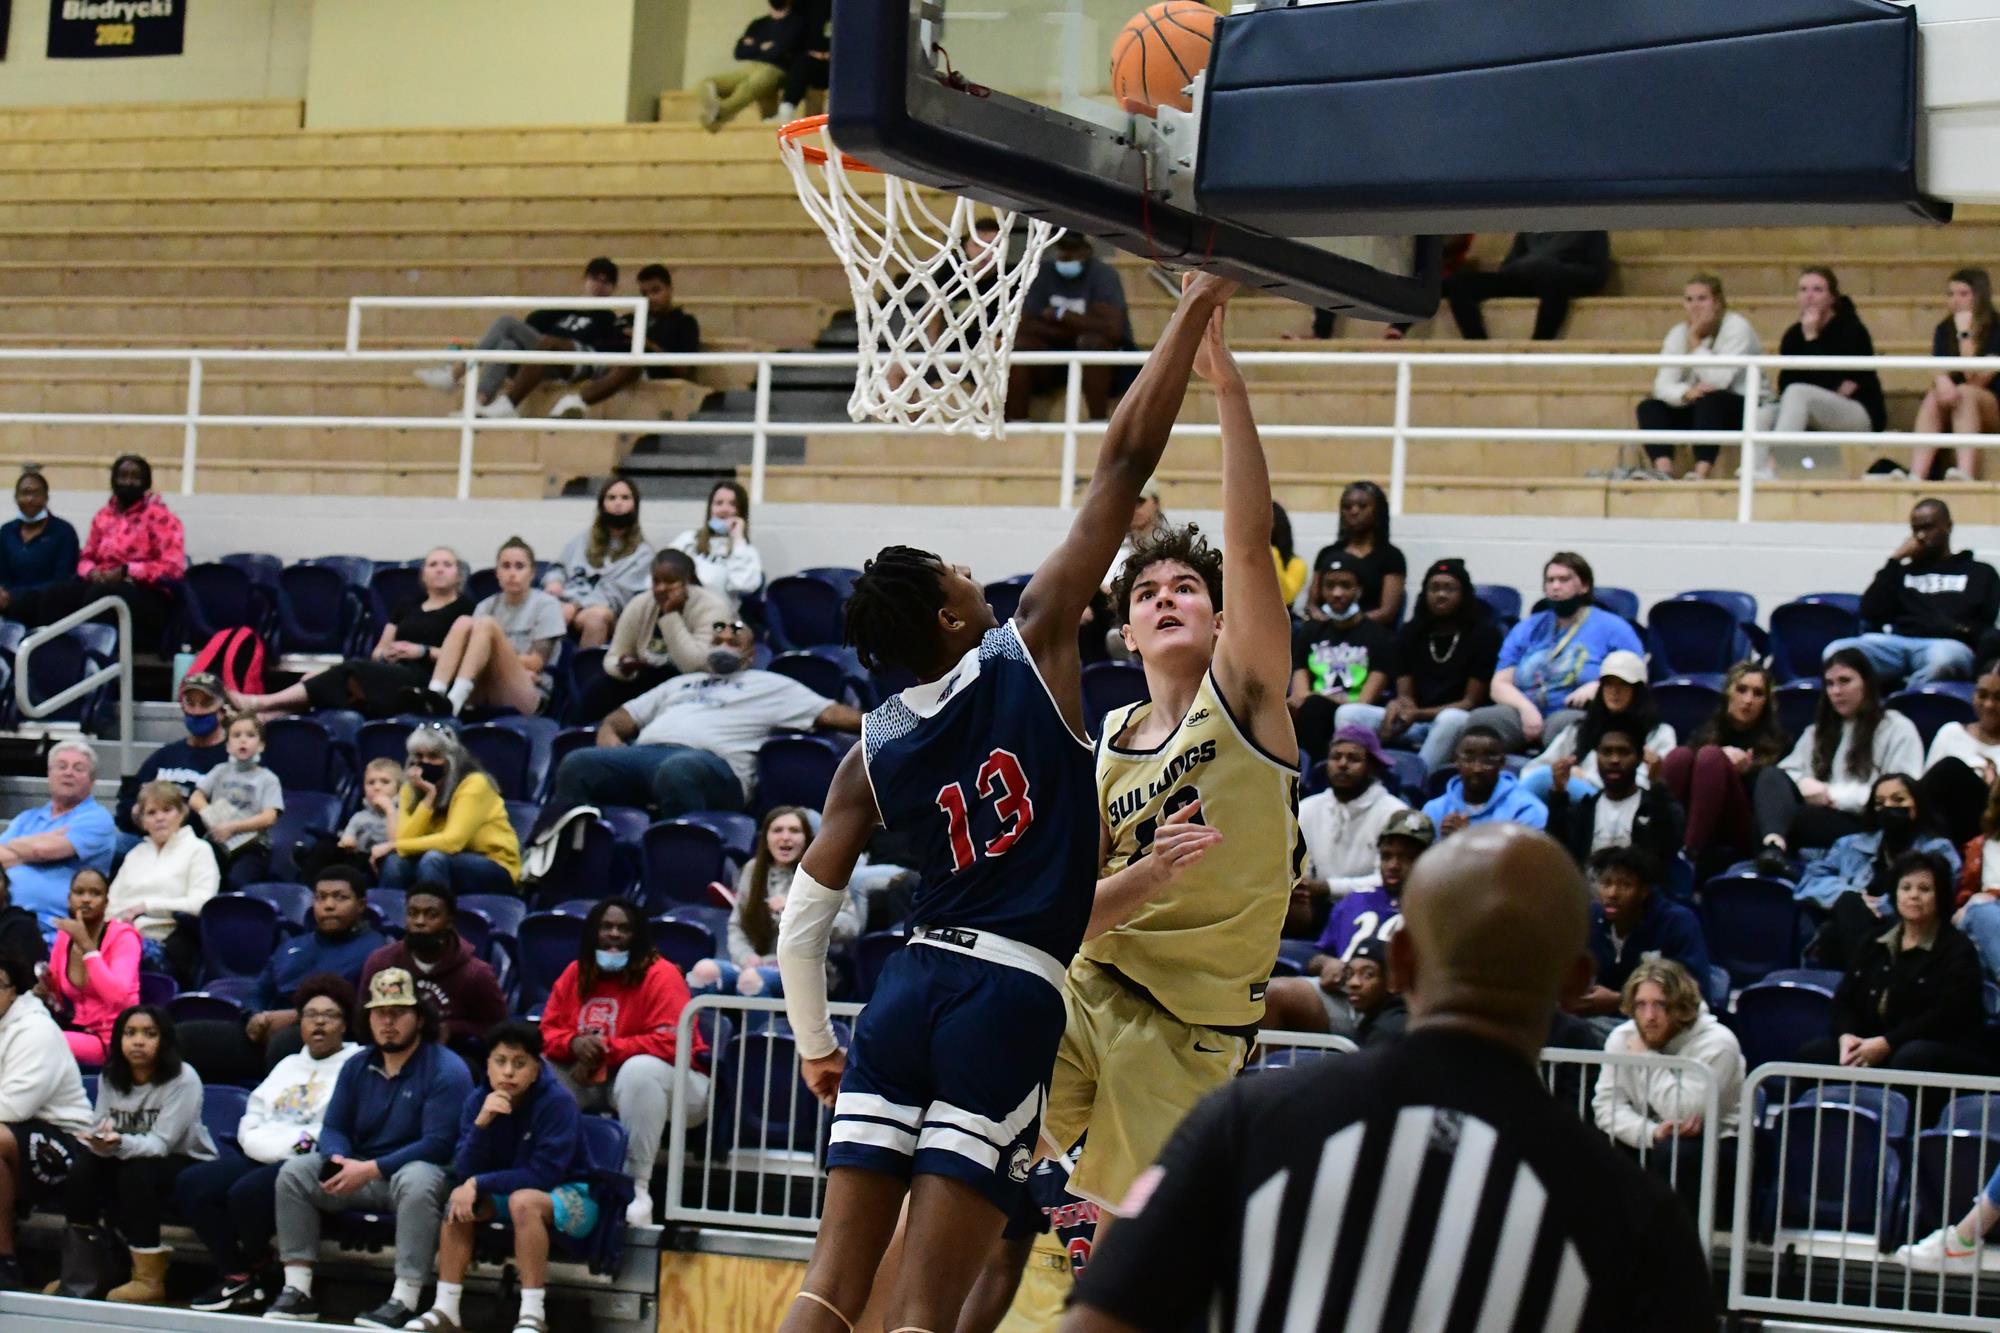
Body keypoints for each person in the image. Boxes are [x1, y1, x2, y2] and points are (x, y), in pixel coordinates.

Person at [772, 273, 1240, 1333]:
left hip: (905, 988)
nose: (972, 568)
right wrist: (1192, 307)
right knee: (924, 1309)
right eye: (954, 569)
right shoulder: (1029, 642)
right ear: (948, 616)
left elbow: (803, 922)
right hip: (1007, 998)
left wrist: (813, 1043)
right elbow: (1124, 459)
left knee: (828, 1283)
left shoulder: (871, 752)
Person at [1059, 822, 1716, 1333]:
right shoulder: (1637, 1216)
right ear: (1576, 984)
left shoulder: (1247, 1121)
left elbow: (1102, 1320)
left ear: (1399, 959)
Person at [1042, 294, 1299, 1238]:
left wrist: (1227, 387)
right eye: (1146, 590)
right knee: (963, 1131)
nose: (1165, 597)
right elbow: (1072, 910)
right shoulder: (1104, 738)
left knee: (1124, 1266)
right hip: (1090, 986)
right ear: (1126, 626)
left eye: (1185, 586)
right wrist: (1144, 876)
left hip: (1190, 1032)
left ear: (1220, 614)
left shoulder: (1248, 696)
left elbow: (1245, 542)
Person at [265, 968, 474, 1327]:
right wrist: (338, 1159)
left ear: (419, 1018)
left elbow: (438, 1144)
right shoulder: (356, 1065)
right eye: (380, 1013)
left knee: (418, 1177)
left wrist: (371, 1169)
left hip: (415, 1179)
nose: (388, 1022)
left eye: (398, 1013)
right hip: (359, 1175)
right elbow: (334, 1126)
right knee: (296, 1172)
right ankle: (298, 1290)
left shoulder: (447, 1069)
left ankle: (406, 1296)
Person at [181, 975, 363, 1316]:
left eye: (330, 1015)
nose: (319, 1022)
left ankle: (256, 1270)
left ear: (346, 1023)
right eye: (310, 1014)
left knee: (246, 1192)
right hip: (265, 1152)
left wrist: (278, 1148)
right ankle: (238, 1272)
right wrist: (261, 1145)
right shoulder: (288, 1062)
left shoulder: (357, 1064)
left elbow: (333, 1128)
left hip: (311, 1161)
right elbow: (252, 1116)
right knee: (194, 1184)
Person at [551, 618, 858, 818]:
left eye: (733, 642)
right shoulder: (682, 682)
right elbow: (624, 716)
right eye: (717, 641)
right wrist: (608, 732)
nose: (723, 645)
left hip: (713, 768)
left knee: (678, 769)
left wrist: (891, 720)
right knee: (578, 763)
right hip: (646, 755)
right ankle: (562, 857)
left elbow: (830, 713)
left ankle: (674, 860)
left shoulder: (771, 685)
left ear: (750, 655)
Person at [412, 1019, 589, 1333]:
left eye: (519, 1064)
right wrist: (482, 1124)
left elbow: (544, 1174)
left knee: (523, 1201)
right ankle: (447, 1309)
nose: (508, 1072)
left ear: (536, 1069)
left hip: (572, 1191)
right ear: (488, 1066)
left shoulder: (558, 1103)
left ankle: (533, 1314)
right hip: (509, 1188)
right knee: (461, 1201)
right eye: (501, 1062)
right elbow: (465, 1171)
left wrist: (479, 1183)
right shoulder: (477, 1101)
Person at [541, 897, 708, 1227]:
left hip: (682, 1087)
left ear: (639, 935)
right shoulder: (577, 972)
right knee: (537, 1068)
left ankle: (637, 1188)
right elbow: (547, 1030)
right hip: (598, 1079)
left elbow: (673, 1042)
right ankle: (545, 1172)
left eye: (624, 928)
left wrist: (604, 1049)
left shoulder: (662, 974)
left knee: (639, 1071)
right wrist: (573, 1043)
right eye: (606, 927)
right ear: (593, 933)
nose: (614, 934)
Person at [50, 1004, 217, 1304]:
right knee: (83, 1170)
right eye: (130, 1033)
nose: (138, 1041)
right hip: (127, 1151)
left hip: (184, 1160)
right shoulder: (111, 1074)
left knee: (136, 1174)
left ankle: (148, 1280)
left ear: (164, 1040)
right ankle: (81, 1271)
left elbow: (162, 1144)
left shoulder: (183, 1078)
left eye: (149, 1034)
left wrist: (119, 1144)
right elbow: (102, 1120)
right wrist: (96, 1140)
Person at [181, 867, 384, 1089]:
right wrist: (256, 1017)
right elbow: (259, 991)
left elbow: (360, 1009)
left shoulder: (376, 951)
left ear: (361, 905)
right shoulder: (293, 945)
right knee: (181, 1038)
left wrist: (297, 1017)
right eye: (321, 897)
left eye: (340, 897)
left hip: (323, 1037)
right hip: (265, 1034)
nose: (328, 905)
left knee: (285, 1042)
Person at [1797, 849, 1988, 1076]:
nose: (1913, 896)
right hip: (1874, 1042)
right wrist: (1846, 1036)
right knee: (1812, 1054)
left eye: (1924, 889)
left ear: (1940, 896)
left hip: (1934, 1046)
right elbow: (1845, 999)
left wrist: (1888, 1042)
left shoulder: (1957, 949)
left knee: (1910, 1058)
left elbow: (1947, 1016)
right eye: (1906, 888)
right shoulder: (1874, 941)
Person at [230, 547, 475, 720]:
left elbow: (465, 660)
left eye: (447, 565)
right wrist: (386, 653)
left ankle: (263, 703)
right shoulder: (407, 605)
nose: (440, 570)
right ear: (423, 575)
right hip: (391, 671)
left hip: (426, 679)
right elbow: (379, 648)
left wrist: (421, 651)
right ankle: (275, 714)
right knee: (334, 678)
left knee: (351, 671)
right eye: (433, 564)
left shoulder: (465, 609)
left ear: (458, 574)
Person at [1592, 957, 1744, 1222]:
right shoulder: (1622, 1038)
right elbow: (1606, 1108)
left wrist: (1647, 1059)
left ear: (1682, 1006)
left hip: (1715, 1150)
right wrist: (1651, 1133)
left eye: (1660, 1005)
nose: (1649, 1017)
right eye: (1641, 1005)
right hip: (1650, 1139)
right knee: (1593, 1148)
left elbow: (1685, 1114)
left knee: (1676, 1152)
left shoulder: (1719, 1043)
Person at [1262, 808, 1433, 1036]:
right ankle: (1257, 1071)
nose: (1393, 864)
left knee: (1392, 1030)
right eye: (1387, 856)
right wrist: (1326, 964)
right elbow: (1318, 954)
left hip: (1400, 1006)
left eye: (1406, 857)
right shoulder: (1355, 899)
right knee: (1273, 994)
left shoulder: (1436, 907)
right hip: (1343, 996)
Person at [1465, 551, 1645, 753]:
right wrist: (1526, 709)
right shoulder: (1528, 627)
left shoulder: (1613, 628)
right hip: (1525, 711)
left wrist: (1598, 686)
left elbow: (1636, 675)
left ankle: (1552, 780)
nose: (1556, 586)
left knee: (1564, 727)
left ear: (1584, 586)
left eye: (1564, 580)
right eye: (1550, 580)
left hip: (1575, 712)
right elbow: (1499, 684)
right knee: (1480, 721)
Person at [0, 454, 185, 647]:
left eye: (135, 476)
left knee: (99, 595)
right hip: (102, 583)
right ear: (113, 480)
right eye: (122, 476)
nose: (128, 481)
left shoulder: (162, 518)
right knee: (55, 596)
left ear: (146, 483)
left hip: (145, 592)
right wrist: (92, 572)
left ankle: (97, 660)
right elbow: (86, 557)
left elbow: (172, 568)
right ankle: (52, 656)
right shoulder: (103, 516)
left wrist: (126, 571)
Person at [1766, 648, 1925, 861]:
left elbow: (1901, 793)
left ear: (1866, 683)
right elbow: (1787, 773)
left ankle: (1775, 852)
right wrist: (1803, 783)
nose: (1836, 691)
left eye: (1844, 681)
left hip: (1868, 823)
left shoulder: (1898, 728)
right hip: (1819, 816)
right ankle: (1773, 850)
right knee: (1769, 777)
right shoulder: (1817, 731)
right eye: (1830, 684)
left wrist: (1831, 795)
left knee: (1793, 818)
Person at [413, 258, 627, 416]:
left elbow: (601, 349)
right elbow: (532, 321)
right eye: (594, 279)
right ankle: (480, 402)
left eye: (606, 282)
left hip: (569, 362)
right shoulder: (563, 308)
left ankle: (455, 372)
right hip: (540, 364)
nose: (599, 285)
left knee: (507, 322)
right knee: (507, 344)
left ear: (614, 288)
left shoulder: (607, 317)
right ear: (584, 280)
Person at [1825, 499, 1999, 693]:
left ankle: (1902, 703)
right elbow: (1870, 611)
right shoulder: (1901, 572)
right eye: (1915, 529)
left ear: (1948, 526)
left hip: (1948, 645)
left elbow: (1985, 621)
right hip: (1898, 644)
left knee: (1941, 660)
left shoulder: (1979, 572)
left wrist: (1947, 626)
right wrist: (1894, 560)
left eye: (1928, 527)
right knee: (1836, 652)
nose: (1921, 536)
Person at [0, 949, 94, 1291]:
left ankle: (4, 1262)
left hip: (67, 1145)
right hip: (17, 1137)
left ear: (15, 991)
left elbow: (12, 1108)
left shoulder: (35, 1030)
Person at [504, 263, 701, 418]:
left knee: (631, 364)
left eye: (655, 291)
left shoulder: (685, 322)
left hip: (639, 369)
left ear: (670, 289)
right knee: (549, 343)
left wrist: (646, 343)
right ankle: (507, 405)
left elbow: (686, 370)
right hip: (601, 359)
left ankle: (575, 402)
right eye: (644, 293)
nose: (650, 298)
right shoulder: (628, 318)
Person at [688, 806, 846, 998]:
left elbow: (851, 925)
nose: (785, 837)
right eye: (777, 830)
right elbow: (736, 925)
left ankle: (758, 1029)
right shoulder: (753, 870)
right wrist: (746, 957)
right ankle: (699, 1028)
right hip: (756, 964)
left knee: (751, 981)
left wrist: (800, 910)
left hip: (807, 969)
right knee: (703, 971)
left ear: (807, 839)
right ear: (766, 839)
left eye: (794, 831)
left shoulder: (826, 873)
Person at [1661, 661, 1794, 871]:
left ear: (1766, 702)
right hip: (1696, 814)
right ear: (1728, 693)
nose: (1748, 700)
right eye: (1741, 690)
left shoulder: (1779, 741)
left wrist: (1744, 771)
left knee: (1711, 757)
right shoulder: (1705, 732)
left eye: (1758, 693)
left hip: (1744, 827)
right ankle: (1659, 846)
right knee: (1680, 756)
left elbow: (1772, 797)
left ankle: (1689, 855)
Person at [1755, 267, 1886, 476]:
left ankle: (1774, 467)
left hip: (1858, 412)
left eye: (1817, 290)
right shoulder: (1792, 335)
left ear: (1832, 297)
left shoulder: (1851, 330)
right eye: (1803, 289)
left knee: (1799, 393)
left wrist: (1812, 339)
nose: (1809, 296)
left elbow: (1843, 385)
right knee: (1764, 414)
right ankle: (1754, 471)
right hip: (1812, 407)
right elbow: (1786, 383)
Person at [1634, 273, 1765, 480]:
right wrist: (1686, 393)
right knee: (1649, 407)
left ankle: (1701, 471)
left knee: (1711, 400)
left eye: (1702, 299)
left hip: (1744, 406)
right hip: (1699, 404)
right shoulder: (1678, 333)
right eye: (1689, 300)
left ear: (1718, 302)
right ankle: (1663, 470)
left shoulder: (1737, 327)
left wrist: (1695, 342)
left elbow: (1719, 381)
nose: (1695, 306)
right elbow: (1662, 384)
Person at [1381, 556, 1501, 772]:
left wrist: (1418, 714)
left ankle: (1418, 783)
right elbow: (1405, 694)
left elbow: (1470, 702)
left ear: (1464, 594)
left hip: (1455, 722)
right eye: (1434, 588)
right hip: (1413, 721)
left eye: (1450, 589)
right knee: (1350, 714)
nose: (1441, 595)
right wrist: (1398, 706)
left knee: (1451, 719)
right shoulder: (1410, 632)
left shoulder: (1484, 635)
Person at [421, 536, 565, 717]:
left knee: (487, 625)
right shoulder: (485, 606)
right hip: (486, 685)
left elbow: (535, 663)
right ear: (497, 573)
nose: (512, 573)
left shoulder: (547, 605)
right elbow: (469, 656)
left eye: (519, 567)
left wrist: (492, 656)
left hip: (529, 690)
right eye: (506, 566)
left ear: (532, 573)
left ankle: (456, 698)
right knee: (463, 621)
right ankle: (435, 693)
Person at [1572, 846, 1711, 1031]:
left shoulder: (1677, 923)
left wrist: (1620, 1001)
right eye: (1606, 883)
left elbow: (1692, 993)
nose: (1612, 894)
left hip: (1661, 1027)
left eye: (1625, 885)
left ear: (1644, 890)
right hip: (1598, 1023)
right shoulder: (1589, 919)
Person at [358, 885, 508, 1053]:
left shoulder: (476, 973)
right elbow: (362, 1019)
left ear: (449, 922)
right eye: (413, 914)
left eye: (431, 915)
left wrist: (452, 1028)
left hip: (454, 1055)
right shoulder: (381, 962)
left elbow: (499, 1028)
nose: (420, 922)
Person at [373, 725, 520, 895]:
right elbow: (405, 840)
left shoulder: (474, 783)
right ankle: (388, 918)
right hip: (439, 860)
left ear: (452, 759)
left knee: (433, 859)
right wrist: (428, 800)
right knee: (395, 861)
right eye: (419, 756)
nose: (425, 762)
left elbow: (452, 842)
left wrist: (394, 845)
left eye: (434, 756)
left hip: (492, 864)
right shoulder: (410, 788)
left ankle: (432, 917)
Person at [1007, 233, 1134, 422]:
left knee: (1093, 344)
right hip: (1052, 356)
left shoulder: (1104, 275)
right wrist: (1079, 326)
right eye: (1062, 252)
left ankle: (1098, 422)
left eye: (1072, 252)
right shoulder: (1042, 273)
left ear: (1086, 252)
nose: (1066, 257)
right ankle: (1017, 423)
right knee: (1022, 345)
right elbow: (1023, 325)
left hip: (1100, 360)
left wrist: (1061, 315)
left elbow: (1113, 330)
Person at [1519, 648, 1676, 800]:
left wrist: (1584, 779)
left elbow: (1645, 785)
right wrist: (1561, 773)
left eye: (1623, 684)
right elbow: (1532, 770)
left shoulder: (1660, 733)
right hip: (1572, 807)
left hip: (1624, 806)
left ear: (1638, 690)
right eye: (1609, 684)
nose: (1614, 691)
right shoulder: (1581, 729)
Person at [594, 548, 735, 716]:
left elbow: (693, 665)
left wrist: (670, 615)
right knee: (597, 689)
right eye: (656, 581)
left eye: (670, 581)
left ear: (687, 581)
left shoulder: (713, 608)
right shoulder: (640, 604)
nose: (661, 588)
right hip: (644, 680)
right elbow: (613, 656)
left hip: (696, 687)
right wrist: (623, 667)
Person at [0, 740, 116, 942]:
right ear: (49, 774)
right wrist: (39, 845)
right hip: (7, 919)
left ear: (92, 780)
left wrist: (34, 849)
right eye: (61, 766)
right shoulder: (27, 818)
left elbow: (42, 851)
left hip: (55, 928)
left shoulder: (97, 818)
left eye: (78, 768)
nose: (68, 773)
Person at [1795, 772, 1961, 910]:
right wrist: (1854, 898)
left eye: (1898, 800)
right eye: (1880, 803)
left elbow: (1939, 899)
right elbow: (1810, 881)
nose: (1888, 807)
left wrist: (1879, 906)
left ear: (1917, 805)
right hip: (1852, 922)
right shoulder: (1849, 845)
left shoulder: (1938, 850)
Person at [1287, 553, 1396, 761]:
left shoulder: (1379, 636)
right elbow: (1300, 696)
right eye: (1330, 585)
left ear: (1359, 590)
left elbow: (1365, 699)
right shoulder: (1309, 633)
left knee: (1317, 707)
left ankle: (1317, 767)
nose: (1337, 593)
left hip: (1353, 713)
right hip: (1313, 711)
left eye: (1345, 585)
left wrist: (1321, 699)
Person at [1543, 719, 1687, 869]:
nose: (1614, 760)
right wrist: (1558, 793)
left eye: (1624, 752)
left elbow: (1671, 843)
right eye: (1606, 752)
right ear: (1596, 758)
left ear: (1640, 758)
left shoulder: (1654, 805)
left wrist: (1657, 785)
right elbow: (1556, 852)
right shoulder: (1584, 810)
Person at [1295, 725, 1409, 903]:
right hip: (1315, 904)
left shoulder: (1395, 813)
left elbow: (1391, 879)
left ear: (1372, 767)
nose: (1342, 764)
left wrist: (1328, 887)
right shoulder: (1308, 808)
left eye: (1353, 758)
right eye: (1335, 757)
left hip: (1371, 905)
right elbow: (1301, 872)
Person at [38, 867, 138, 1064]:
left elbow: (118, 998)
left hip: (112, 1038)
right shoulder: (65, 936)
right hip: (74, 1028)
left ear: (107, 901)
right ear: (69, 899)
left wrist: (87, 947)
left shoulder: (124, 937)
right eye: (79, 892)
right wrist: (44, 989)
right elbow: (57, 994)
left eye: (95, 893)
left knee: (38, 1042)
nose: (86, 899)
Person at [112, 670, 229, 837]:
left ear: (221, 711)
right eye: (190, 702)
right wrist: (137, 813)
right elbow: (127, 803)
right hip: (150, 841)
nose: (196, 711)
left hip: (200, 844)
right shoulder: (164, 756)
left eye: (205, 703)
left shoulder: (232, 759)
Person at [1441, 229, 1613, 342]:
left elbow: (1597, 273)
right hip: (1524, 277)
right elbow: (1509, 264)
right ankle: (1479, 346)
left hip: (1558, 279)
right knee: (1459, 283)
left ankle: (1539, 346)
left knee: (1553, 282)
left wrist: (1554, 269)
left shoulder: (1591, 227)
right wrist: (1523, 268)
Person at [1912, 267, 2000, 482]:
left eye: (1963, 294)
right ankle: (1915, 475)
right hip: (1956, 403)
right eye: (1950, 294)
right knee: (1934, 396)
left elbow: (1976, 378)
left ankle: (1965, 474)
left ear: (1979, 296)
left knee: (1966, 392)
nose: (1955, 300)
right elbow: (1939, 369)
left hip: (1991, 403)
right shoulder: (1944, 328)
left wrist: (1965, 335)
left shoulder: (1997, 327)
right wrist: (1941, 382)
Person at [543, 478, 652, 649]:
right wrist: (554, 582)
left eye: (625, 498)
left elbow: (615, 595)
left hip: (606, 611)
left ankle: (583, 672)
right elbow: (558, 567)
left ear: (635, 505)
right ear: (602, 505)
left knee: (597, 617)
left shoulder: (643, 553)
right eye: (612, 497)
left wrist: (575, 606)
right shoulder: (583, 539)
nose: (618, 503)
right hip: (566, 601)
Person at [189, 714, 283, 889]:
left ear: (261, 745)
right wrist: (212, 815)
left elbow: (269, 817)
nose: (243, 741)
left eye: (250, 735)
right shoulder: (220, 771)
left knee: (238, 880)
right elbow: (196, 798)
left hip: (251, 845)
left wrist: (233, 827)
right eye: (236, 735)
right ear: (227, 746)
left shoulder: (267, 779)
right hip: (218, 840)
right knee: (203, 876)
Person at [698, 0, 813, 129]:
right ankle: (717, 115)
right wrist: (763, 47)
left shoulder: (797, 22)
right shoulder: (758, 24)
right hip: (752, 67)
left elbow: (780, 51)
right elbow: (739, 52)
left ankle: (721, 113)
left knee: (753, 83)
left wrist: (754, 46)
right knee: (707, 83)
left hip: (778, 69)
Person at [1923, 658, 2000, 846]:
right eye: (1982, 695)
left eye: (1999, 698)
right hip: (1945, 831)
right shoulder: (1950, 733)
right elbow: (1926, 794)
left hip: (1992, 832)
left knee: (1951, 768)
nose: (1989, 705)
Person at [1307, 480, 1405, 627]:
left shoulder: (1392, 556)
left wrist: (1348, 624)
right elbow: (1312, 604)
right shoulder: (1327, 554)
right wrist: (1321, 619)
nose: (1354, 511)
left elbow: (1387, 612)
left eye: (1362, 506)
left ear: (1377, 511)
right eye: (1347, 507)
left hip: (1370, 632)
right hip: (1327, 631)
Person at [1421, 725, 1549, 834]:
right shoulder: (1434, 809)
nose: (1478, 769)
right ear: (1456, 761)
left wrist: (1466, 839)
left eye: (1488, 760)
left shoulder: (1526, 808)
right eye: (1469, 759)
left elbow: (1523, 861)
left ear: (1502, 763)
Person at [667, 480, 763, 602]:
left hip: (719, 615)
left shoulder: (746, 551)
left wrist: (738, 538)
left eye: (733, 504)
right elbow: (663, 571)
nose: (724, 509)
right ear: (710, 509)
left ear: (741, 512)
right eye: (719, 503)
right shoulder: (688, 539)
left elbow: (743, 585)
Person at [0, 466, 79, 594]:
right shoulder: (6, 531)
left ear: (46, 497)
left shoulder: (64, 532)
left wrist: (15, 596)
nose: (30, 499)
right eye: (25, 493)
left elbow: (63, 581)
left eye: (36, 493)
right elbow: (2, 576)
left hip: (48, 605)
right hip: (7, 606)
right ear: (16, 497)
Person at [1341, 936, 1407, 1048]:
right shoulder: (1374, 1019)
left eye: (1368, 975)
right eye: (1349, 974)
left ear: (1392, 982)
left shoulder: (1388, 1030)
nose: (1353, 983)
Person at [340, 757, 405, 860]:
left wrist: (389, 810)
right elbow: (347, 836)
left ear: (399, 788)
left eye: (385, 782)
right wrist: (348, 840)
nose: (377, 787)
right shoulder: (359, 817)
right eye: (371, 783)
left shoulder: (404, 815)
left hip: (390, 859)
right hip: (361, 859)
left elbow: (398, 845)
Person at [1269, 500, 1306, 608]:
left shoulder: (1297, 564)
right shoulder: (1240, 557)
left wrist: (1271, 552)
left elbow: (1285, 597)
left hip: (1281, 620)